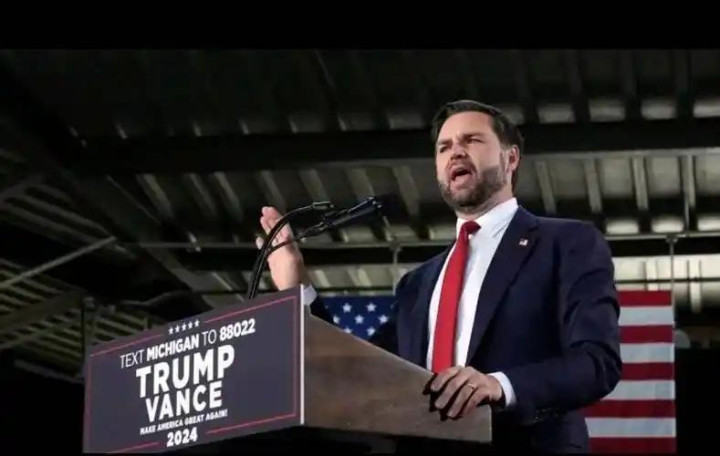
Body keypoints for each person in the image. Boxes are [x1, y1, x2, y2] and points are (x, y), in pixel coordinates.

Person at [256, 100, 622, 453]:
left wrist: (499, 385)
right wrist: (296, 286)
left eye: (471, 140)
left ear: (510, 158)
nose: (455, 152)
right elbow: (359, 370)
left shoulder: (566, 243)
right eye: (444, 147)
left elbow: (596, 361)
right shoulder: (417, 284)